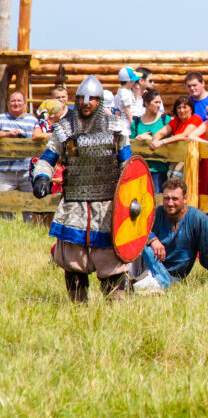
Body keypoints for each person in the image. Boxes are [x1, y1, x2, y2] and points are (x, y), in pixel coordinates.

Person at [31, 76, 134, 301]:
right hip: (74, 206)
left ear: (99, 101)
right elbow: (48, 158)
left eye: (92, 99)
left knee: (111, 260)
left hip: (107, 206)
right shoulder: (65, 128)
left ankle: (118, 308)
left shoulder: (116, 127)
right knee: (73, 261)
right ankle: (79, 309)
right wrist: (41, 177)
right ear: (76, 100)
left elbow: (129, 164)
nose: (86, 103)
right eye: (82, 99)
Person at [133, 178, 208, 293]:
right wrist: (152, 239)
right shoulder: (155, 215)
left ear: (185, 199)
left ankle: (149, 285)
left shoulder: (199, 219)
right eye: (166, 198)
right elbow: (135, 230)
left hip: (171, 277)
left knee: (140, 288)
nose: (170, 203)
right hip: (145, 268)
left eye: (175, 199)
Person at [0, 91, 41, 221]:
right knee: (5, 206)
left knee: (29, 205)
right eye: (13, 101)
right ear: (7, 104)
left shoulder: (33, 120)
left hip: (26, 171)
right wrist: (7, 135)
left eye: (19, 101)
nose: (16, 103)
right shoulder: (1, 119)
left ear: (24, 103)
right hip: (5, 171)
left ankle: (29, 230)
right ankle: (8, 232)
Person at [130, 89, 172, 192]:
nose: (158, 105)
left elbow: (172, 140)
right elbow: (129, 144)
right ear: (147, 103)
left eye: (159, 102)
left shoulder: (165, 119)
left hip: (160, 169)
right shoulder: (136, 122)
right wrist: (137, 139)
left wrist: (150, 139)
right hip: (141, 169)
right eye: (156, 102)